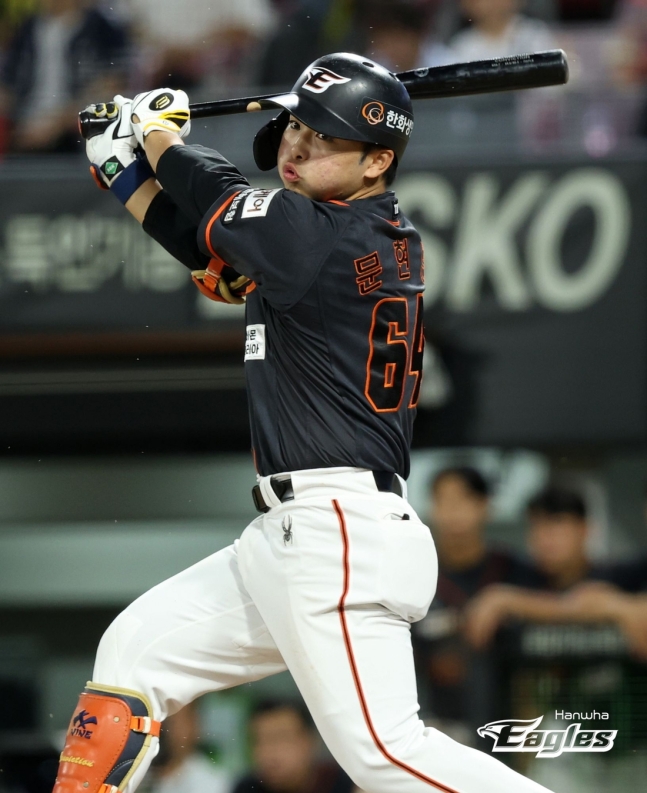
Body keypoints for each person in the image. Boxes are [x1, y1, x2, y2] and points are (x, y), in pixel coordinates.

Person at [51, 54, 558, 793]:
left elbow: (219, 196)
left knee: (385, 754)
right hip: (297, 536)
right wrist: (124, 170)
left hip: (336, 533)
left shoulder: (322, 232)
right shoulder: (334, 235)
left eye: (324, 136)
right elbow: (209, 245)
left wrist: (156, 137)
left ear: (377, 160)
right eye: (296, 127)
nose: (297, 144)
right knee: (132, 654)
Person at [413, 467, 543, 741]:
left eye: (463, 500)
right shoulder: (416, 570)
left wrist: (506, 600)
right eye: (443, 500)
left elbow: (559, 605)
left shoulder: (511, 569)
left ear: (485, 506)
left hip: (509, 723)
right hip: (430, 722)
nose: (453, 511)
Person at [1, 0, 129, 153]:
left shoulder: (102, 29)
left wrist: (57, 125)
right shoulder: (27, 28)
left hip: (76, 130)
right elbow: (8, 83)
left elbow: (113, 84)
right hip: (23, 126)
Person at [232, 699, 356, 793]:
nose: (268, 752)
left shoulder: (346, 784)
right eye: (259, 741)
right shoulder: (247, 788)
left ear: (310, 741)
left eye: (281, 738)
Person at [145, 702, 230, 793]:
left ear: (195, 723)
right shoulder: (146, 774)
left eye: (179, 721)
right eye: (170, 721)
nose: (171, 729)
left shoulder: (211, 781)